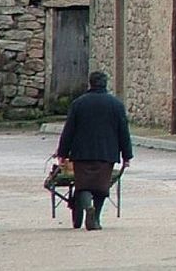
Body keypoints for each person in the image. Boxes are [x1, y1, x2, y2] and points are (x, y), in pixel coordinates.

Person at [56, 71, 133, 231]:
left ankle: (87, 207)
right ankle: (95, 218)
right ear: (105, 84)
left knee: (83, 185)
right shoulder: (116, 105)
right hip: (106, 153)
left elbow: (69, 130)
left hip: (81, 153)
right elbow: (123, 132)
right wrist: (127, 155)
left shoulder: (78, 104)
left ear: (90, 84)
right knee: (101, 188)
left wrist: (62, 154)